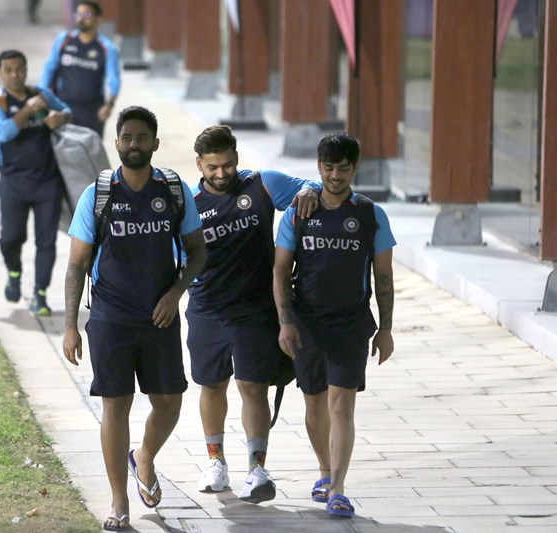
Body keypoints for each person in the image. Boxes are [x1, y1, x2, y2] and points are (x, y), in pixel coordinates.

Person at [62, 106, 206, 532]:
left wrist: (176, 293)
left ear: (155, 144)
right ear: (117, 143)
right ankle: (119, 502)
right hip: (110, 318)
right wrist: (71, 325)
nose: (135, 145)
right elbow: (76, 265)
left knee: (169, 402)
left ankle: (144, 456)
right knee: (115, 407)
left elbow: (198, 250)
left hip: (159, 317)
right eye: (128, 138)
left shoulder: (175, 191)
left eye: (143, 138)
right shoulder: (99, 194)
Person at [186, 125, 320, 503]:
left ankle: (256, 467)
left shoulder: (262, 185)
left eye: (228, 164)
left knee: (252, 386)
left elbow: (317, 185)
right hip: (207, 310)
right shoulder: (187, 201)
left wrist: (308, 189)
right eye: (212, 167)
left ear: (237, 158)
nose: (221, 173)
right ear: (199, 163)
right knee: (211, 386)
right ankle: (215, 462)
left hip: (256, 311)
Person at [272, 131, 396, 518]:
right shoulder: (299, 212)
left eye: (344, 168)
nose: (336, 176)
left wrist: (386, 328)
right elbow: (279, 271)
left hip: (351, 325)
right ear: (319, 167)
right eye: (329, 168)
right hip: (307, 324)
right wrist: (285, 323)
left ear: (355, 168)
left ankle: (339, 489)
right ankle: (324, 472)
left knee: (342, 404)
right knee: (314, 403)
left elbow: (384, 277)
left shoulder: (370, 215)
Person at [0, 50, 72, 316]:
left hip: (47, 181)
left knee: (46, 241)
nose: (15, 75)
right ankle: (13, 272)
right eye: (8, 70)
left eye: (19, 69)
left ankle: (40, 294)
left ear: (26, 68)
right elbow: (3, 132)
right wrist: (28, 110)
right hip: (13, 182)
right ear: (0, 73)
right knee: (11, 238)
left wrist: (60, 117)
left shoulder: (41, 93)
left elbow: (66, 110)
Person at [40, 0, 120, 138]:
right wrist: (43, 95)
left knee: (90, 151)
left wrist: (109, 105)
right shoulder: (64, 40)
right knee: (62, 150)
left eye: (87, 15)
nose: (81, 18)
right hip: (62, 106)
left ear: (98, 19)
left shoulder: (106, 48)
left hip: (92, 110)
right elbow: (49, 68)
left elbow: (113, 79)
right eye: (78, 14)